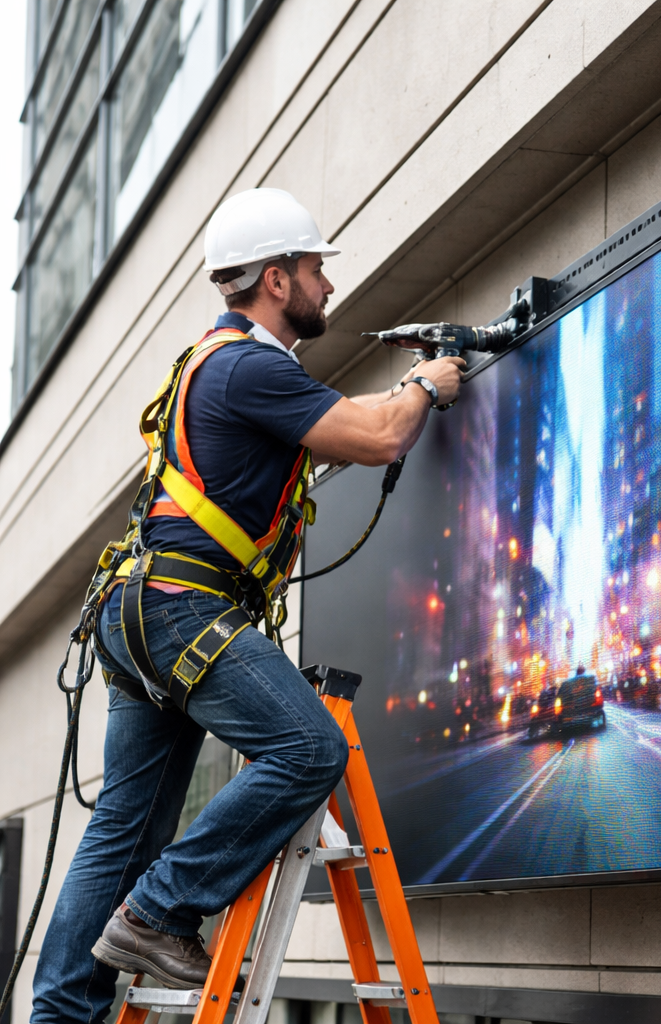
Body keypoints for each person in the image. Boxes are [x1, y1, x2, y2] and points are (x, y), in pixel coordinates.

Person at [30, 188, 464, 1024]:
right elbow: (380, 436)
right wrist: (426, 383)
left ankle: (59, 1014)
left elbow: (348, 425)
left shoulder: (216, 364)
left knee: (125, 825)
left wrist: (401, 393)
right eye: (315, 269)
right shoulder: (251, 366)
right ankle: (158, 912)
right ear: (275, 279)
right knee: (308, 746)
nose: (328, 285)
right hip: (181, 608)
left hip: (142, 610)